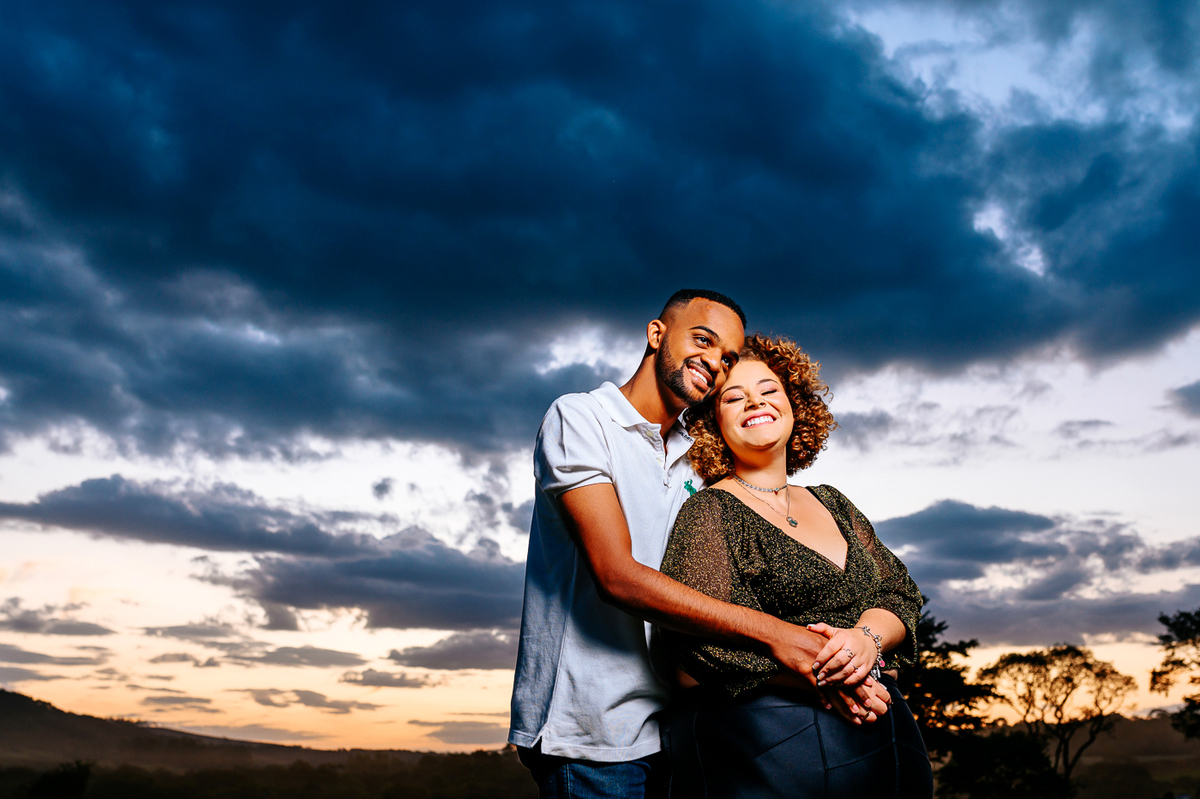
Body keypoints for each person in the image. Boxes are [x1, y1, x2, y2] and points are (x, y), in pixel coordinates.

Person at [509, 293, 892, 799]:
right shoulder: (582, 418)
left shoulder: (700, 457)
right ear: (656, 334)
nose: (714, 361)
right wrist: (785, 640)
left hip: (683, 722)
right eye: (703, 340)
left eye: (727, 357)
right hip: (592, 732)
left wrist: (846, 658)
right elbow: (616, 576)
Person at [659, 333, 933, 798]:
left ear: (795, 405)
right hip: (773, 748)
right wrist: (835, 676)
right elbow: (696, 642)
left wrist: (865, 641)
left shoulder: (834, 503)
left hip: (887, 738)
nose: (755, 402)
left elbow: (898, 591)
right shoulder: (709, 511)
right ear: (712, 422)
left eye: (769, 390)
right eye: (734, 397)